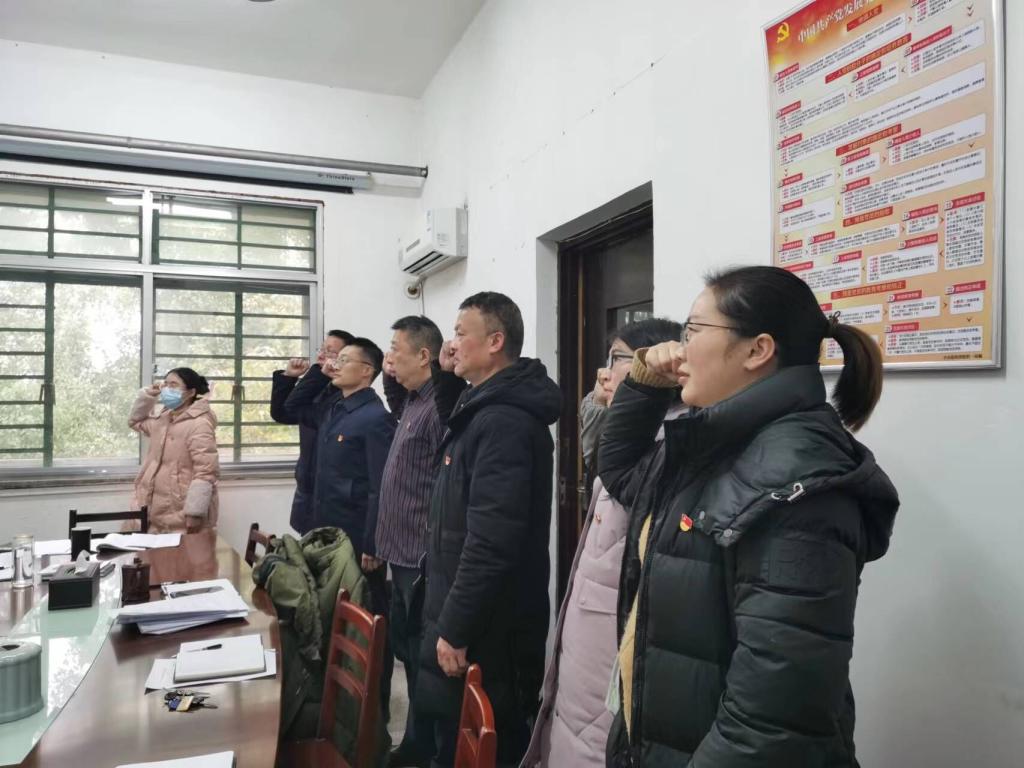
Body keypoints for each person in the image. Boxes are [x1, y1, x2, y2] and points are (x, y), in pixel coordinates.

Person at [600, 265, 900, 767]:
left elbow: (772, 721)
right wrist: (645, 381)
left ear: (757, 350)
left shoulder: (800, 482)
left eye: (693, 331)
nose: (680, 349)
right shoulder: (709, 441)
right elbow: (623, 474)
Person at [521, 318, 683, 768]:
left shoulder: (671, 446)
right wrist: (601, 401)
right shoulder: (633, 439)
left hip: (613, 643)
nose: (604, 372)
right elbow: (598, 450)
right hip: (590, 638)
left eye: (617, 359)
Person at [417, 292, 562, 768]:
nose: (452, 343)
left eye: (461, 333)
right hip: (472, 611)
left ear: (495, 341)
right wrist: (444, 377)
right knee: (452, 740)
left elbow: (492, 540)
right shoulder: (483, 405)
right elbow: (456, 428)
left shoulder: (505, 421)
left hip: (493, 625)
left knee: (486, 744)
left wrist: (455, 626)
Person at [376, 316, 466, 768]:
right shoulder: (413, 401)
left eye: (396, 348)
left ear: (424, 356)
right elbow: (395, 391)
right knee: (408, 655)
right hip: (400, 553)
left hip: (420, 556)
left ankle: (429, 750)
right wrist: (390, 372)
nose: (388, 357)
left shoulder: (438, 409)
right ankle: (416, 741)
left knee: (423, 659)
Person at [271, 329, 354, 534]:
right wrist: (289, 377)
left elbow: (293, 407)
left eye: (330, 352)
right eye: (322, 349)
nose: (321, 356)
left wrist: (318, 374)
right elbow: (282, 413)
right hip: (307, 484)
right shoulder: (317, 384)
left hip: (328, 492)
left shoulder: (343, 393)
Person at [128, 367, 219, 533]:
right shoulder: (163, 419)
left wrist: (194, 512)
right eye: (166, 384)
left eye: (174, 385)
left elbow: (206, 471)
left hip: (181, 511)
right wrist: (148, 395)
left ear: (191, 392)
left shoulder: (199, 424)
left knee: (183, 550)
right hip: (153, 509)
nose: (167, 389)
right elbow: (135, 422)